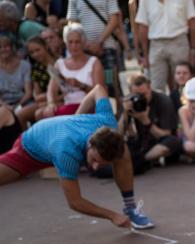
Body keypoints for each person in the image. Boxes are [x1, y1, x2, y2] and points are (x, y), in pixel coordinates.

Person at [0, 85, 154, 229]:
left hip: (57, 138)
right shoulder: (67, 152)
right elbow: (75, 202)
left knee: (123, 150)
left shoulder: (107, 121)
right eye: (94, 160)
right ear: (91, 144)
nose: (94, 167)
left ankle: (131, 208)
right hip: (29, 148)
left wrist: (76, 117)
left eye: (101, 164)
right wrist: (112, 216)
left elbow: (98, 89)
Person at [135, 0, 195, 94]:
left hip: (179, 42)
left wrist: (193, 51)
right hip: (156, 45)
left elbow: (192, 24)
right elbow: (142, 28)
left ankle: (183, 115)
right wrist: (144, 55)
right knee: (156, 88)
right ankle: (162, 116)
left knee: (182, 87)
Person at [67, 0, 122, 98]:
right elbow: (73, 23)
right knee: (91, 89)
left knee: (111, 86)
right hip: (85, 51)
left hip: (106, 48)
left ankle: (116, 119)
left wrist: (99, 42)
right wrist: (85, 44)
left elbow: (114, 19)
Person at [118, 74, 181, 172]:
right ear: (131, 91)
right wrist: (125, 113)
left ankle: (141, 161)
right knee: (118, 144)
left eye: (144, 94)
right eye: (137, 95)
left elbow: (167, 134)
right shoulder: (129, 102)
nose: (140, 98)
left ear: (150, 88)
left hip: (159, 142)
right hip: (140, 143)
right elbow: (119, 133)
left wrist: (146, 121)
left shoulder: (163, 101)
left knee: (173, 141)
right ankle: (138, 161)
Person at [43, 24, 105, 118]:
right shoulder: (60, 64)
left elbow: (100, 92)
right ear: (66, 44)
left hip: (89, 107)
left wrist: (81, 85)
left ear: (83, 43)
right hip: (68, 106)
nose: (74, 46)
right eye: (70, 42)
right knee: (43, 113)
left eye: (77, 42)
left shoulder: (94, 62)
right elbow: (51, 89)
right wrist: (51, 103)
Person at [0, 36, 34, 129]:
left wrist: (17, 105)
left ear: (12, 48)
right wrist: (5, 106)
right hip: (3, 104)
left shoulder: (24, 65)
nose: (3, 49)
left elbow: (28, 92)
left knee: (20, 113)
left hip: (23, 101)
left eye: (6, 46)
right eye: (0, 47)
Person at [26, 36, 57, 122]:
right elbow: (37, 96)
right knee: (20, 114)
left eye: (38, 50)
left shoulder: (58, 63)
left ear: (46, 47)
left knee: (39, 113)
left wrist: (54, 97)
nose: (35, 54)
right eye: (32, 52)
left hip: (63, 98)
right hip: (47, 100)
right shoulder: (36, 68)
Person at [129, 0, 153, 70]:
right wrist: (137, 51)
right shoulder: (133, 2)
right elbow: (135, 28)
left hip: (159, 41)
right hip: (144, 45)